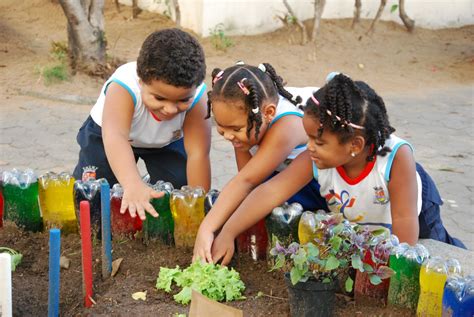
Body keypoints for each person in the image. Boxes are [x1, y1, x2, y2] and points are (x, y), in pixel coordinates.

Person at [208, 73, 465, 265]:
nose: (308, 148)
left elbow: (405, 225)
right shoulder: (318, 158)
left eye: (318, 142)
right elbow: (270, 191)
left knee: (433, 253)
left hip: (414, 211)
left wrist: (396, 269)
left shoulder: (397, 158)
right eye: (308, 139)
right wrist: (228, 232)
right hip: (364, 214)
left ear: (355, 145)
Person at [192, 62, 327, 263]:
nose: (228, 136)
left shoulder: (285, 126)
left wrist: (213, 229)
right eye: (221, 128)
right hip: (287, 171)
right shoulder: (244, 115)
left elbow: (247, 181)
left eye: (235, 129)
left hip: (320, 177)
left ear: (269, 113)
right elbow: (248, 178)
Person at [73, 28, 211, 220]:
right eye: (159, 98)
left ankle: (150, 186)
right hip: (109, 138)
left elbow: (198, 154)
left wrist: (198, 206)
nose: (170, 109)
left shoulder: (198, 99)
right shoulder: (124, 86)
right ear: (141, 81)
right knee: (92, 194)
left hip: (165, 142)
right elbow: (115, 136)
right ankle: (130, 186)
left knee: (181, 188)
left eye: (182, 101)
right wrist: (132, 184)